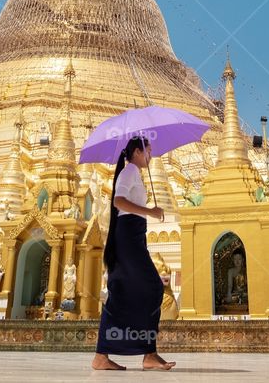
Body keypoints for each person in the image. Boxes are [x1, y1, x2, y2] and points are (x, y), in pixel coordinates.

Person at [92, 136, 175, 372]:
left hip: (133, 236)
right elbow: (119, 201)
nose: (150, 156)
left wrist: (148, 212)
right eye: (148, 151)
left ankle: (108, 354)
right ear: (137, 152)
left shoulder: (134, 173)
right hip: (128, 237)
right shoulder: (129, 172)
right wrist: (149, 210)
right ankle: (146, 353)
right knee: (153, 287)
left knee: (125, 292)